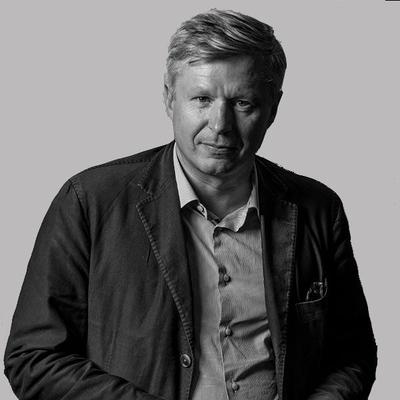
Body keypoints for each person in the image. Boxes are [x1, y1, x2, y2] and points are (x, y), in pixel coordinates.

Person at [4, 9, 377, 400]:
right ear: (169, 98)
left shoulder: (319, 209)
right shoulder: (89, 202)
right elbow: (34, 358)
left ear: (273, 108)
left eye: (243, 103)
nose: (220, 125)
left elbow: (352, 355)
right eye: (201, 99)